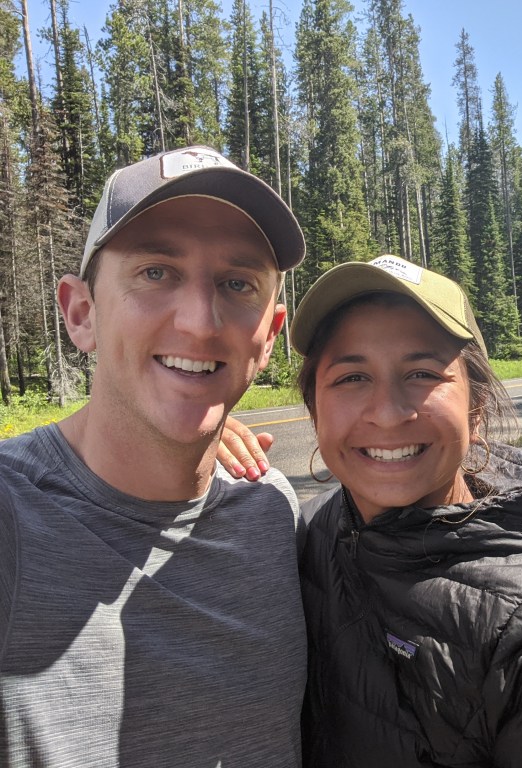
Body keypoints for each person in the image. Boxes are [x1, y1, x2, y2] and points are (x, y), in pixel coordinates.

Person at [0, 146, 308, 767]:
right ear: (81, 314)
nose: (200, 322)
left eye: (237, 283)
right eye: (156, 272)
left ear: (268, 337)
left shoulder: (272, 510)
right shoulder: (12, 515)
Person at [290, 254, 522, 767]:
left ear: (475, 410)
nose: (387, 413)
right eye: (352, 378)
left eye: (421, 373)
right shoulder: (312, 530)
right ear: (315, 410)